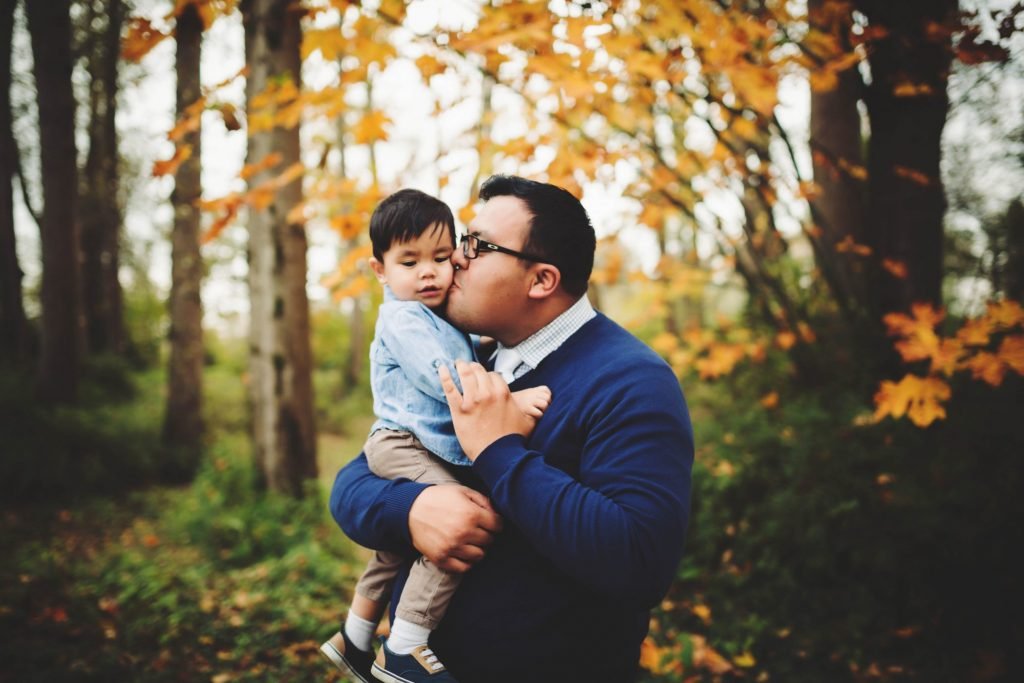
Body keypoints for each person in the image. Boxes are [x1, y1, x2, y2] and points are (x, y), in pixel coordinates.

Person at [330, 175, 694, 682]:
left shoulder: (632, 381)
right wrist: (410, 509)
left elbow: (639, 561)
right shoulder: (472, 360)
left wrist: (498, 451)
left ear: (541, 280)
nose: (454, 259)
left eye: (476, 246)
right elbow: (357, 477)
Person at [319, 188, 551, 683]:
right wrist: (508, 397)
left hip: (411, 442)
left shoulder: (437, 313)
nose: (429, 272)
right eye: (410, 261)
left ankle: (355, 637)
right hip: (401, 443)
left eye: (441, 258)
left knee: (400, 544)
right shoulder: (402, 318)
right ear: (380, 269)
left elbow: (467, 346)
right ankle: (405, 645)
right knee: (462, 520)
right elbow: (442, 375)